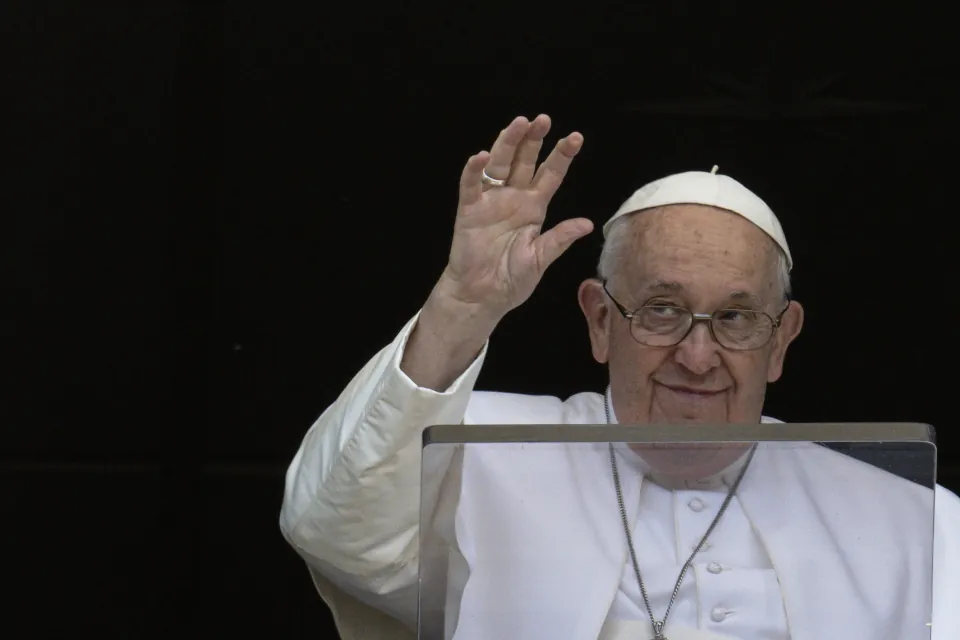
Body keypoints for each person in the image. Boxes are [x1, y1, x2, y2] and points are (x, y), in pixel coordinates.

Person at [279, 114, 960, 640]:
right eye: (661, 311)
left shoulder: (917, 520)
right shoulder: (473, 453)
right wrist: (461, 306)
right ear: (601, 320)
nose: (698, 357)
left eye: (736, 317)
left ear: (781, 340)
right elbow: (334, 527)